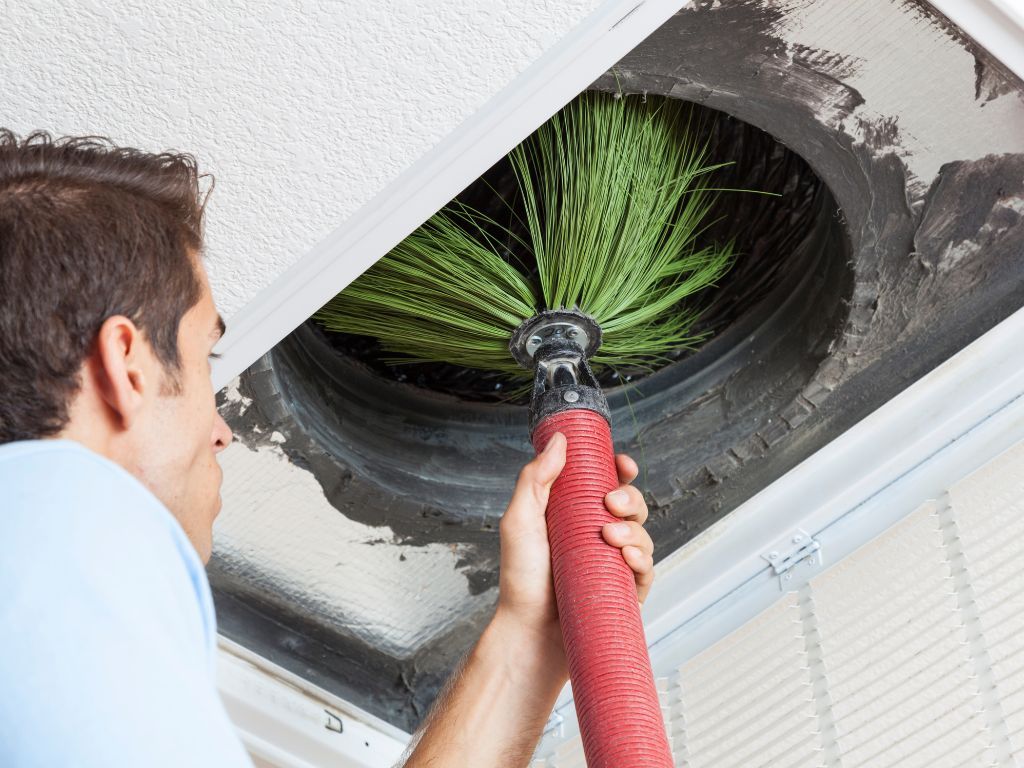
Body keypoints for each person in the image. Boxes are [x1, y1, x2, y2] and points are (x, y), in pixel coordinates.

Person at [0, 131, 656, 767]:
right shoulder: (66, 538)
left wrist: (531, 639)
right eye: (207, 355)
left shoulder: (43, 592)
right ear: (128, 365)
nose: (221, 430)